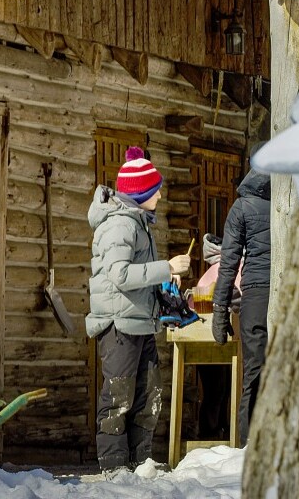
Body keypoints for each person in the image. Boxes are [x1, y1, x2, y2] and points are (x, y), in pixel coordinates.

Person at [86, 147, 191, 471]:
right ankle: (115, 466)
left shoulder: (138, 223)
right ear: (141, 192)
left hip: (140, 321)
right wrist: (165, 266)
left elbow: (136, 274)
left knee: (148, 395)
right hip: (119, 324)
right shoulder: (120, 225)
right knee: (118, 397)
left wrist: (167, 285)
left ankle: (140, 460)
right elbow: (119, 275)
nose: (160, 194)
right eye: (155, 188)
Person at [211, 168, 270, 447]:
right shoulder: (292, 199)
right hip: (287, 291)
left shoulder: (242, 207)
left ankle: (248, 447)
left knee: (254, 373)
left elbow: (228, 264)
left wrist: (220, 310)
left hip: (256, 295)